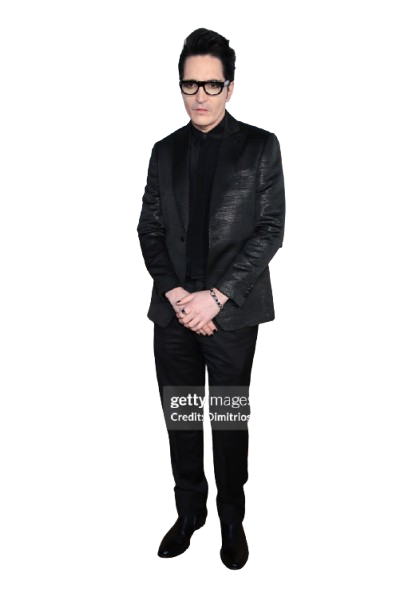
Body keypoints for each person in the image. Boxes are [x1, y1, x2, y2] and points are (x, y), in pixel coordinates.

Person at [137, 27, 285, 570]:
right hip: (173, 313)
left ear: (230, 88)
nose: (200, 95)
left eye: (211, 84)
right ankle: (188, 513)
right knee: (180, 416)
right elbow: (149, 230)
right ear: (180, 86)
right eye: (190, 84)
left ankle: (230, 519)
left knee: (225, 420)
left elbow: (270, 230)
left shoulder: (261, 146)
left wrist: (216, 297)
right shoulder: (164, 151)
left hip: (231, 315)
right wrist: (179, 295)